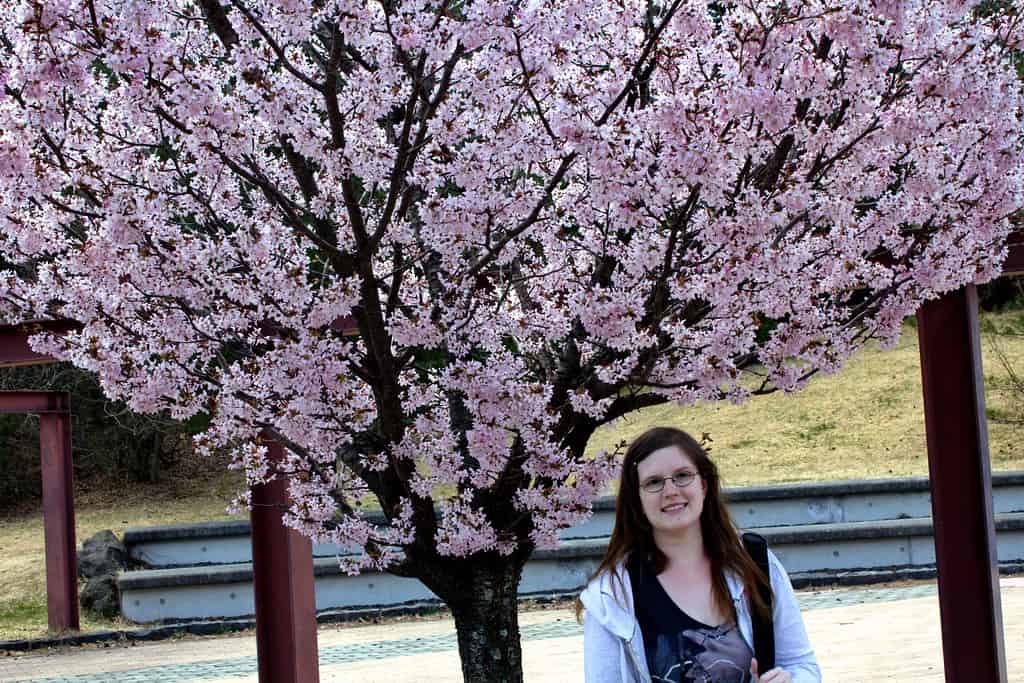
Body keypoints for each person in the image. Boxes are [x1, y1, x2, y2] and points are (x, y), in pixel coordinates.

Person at [578, 427, 820, 682]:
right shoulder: (612, 595)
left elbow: (802, 664)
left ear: (703, 485)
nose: (670, 491)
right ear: (636, 499)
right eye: (654, 482)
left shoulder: (754, 563)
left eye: (682, 476)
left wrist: (792, 680)